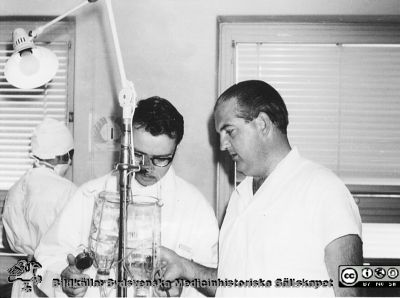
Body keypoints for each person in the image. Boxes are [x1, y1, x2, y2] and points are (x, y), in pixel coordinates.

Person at [159, 80, 363, 297]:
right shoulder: (240, 197)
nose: (222, 145)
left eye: (230, 131)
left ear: (263, 124)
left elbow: (351, 291)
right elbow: (232, 286)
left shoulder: (324, 189)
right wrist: (182, 266)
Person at [33, 97, 219, 297]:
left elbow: (215, 282)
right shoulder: (90, 196)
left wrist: (182, 291)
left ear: (175, 151)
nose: (146, 167)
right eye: (138, 155)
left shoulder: (196, 207)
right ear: (125, 143)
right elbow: (44, 261)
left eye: (161, 159)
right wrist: (64, 279)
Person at [2, 117, 76, 257]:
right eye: (70, 155)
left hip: (24, 270)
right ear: (61, 156)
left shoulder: (15, 189)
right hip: (56, 269)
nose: (70, 161)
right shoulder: (68, 191)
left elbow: (10, 242)